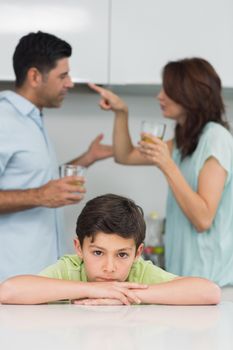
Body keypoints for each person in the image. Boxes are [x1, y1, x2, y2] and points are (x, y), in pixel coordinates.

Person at [88, 57, 233, 287]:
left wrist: (166, 164)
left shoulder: (215, 139)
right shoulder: (186, 141)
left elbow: (203, 218)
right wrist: (121, 112)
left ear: (190, 93)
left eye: (168, 90)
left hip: (212, 282)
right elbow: (125, 156)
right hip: (186, 278)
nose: (159, 96)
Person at [0, 31, 112, 281]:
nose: (70, 83)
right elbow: (40, 190)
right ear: (34, 76)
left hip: (41, 277)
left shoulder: (32, 119)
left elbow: (35, 177)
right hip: (11, 280)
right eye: (63, 75)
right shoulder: (4, 120)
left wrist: (87, 158)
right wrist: (40, 195)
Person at [0, 193, 220, 305]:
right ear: (79, 248)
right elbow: (8, 291)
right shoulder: (71, 269)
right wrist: (92, 290)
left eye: (122, 254)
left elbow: (209, 292)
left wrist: (124, 294)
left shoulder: (139, 273)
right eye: (97, 252)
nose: (109, 267)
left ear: (138, 253)